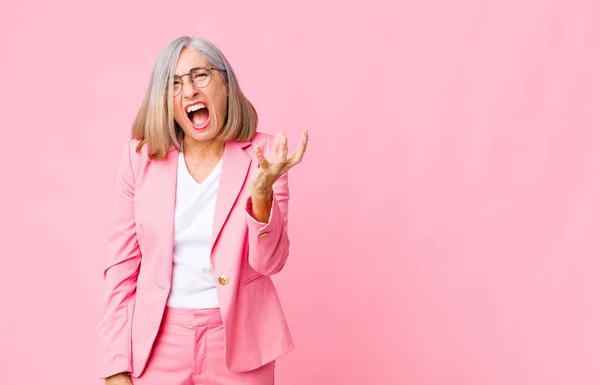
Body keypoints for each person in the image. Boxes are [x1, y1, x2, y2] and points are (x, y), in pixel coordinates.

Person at [99, 36, 308, 385]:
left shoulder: (265, 154)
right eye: (174, 84)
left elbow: (270, 263)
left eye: (200, 76)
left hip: (241, 343)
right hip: (156, 343)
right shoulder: (140, 159)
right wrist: (115, 365)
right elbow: (121, 268)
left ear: (225, 83)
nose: (189, 91)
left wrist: (261, 197)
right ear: (165, 101)